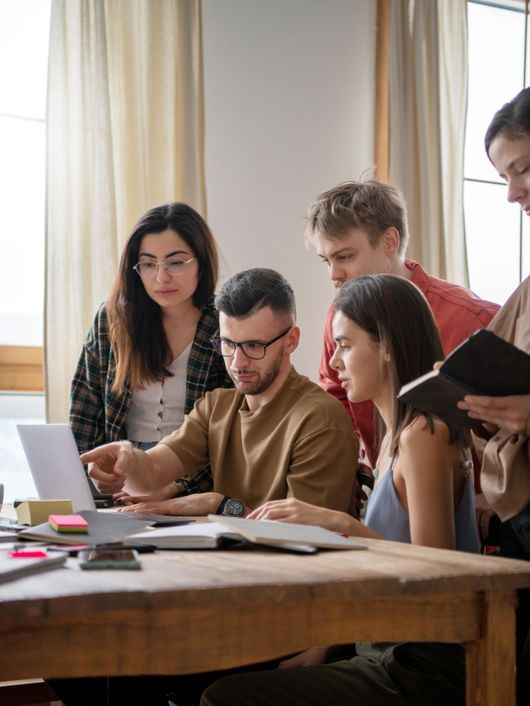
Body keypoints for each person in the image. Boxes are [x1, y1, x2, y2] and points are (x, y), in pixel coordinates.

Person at [199, 273, 480, 706]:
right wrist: (325, 645)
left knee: (225, 698)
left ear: (386, 345)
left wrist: (338, 523)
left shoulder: (422, 434)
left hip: (420, 666)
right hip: (384, 649)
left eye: (345, 345)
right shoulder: (395, 434)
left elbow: (435, 579)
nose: (333, 363)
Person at [306, 180, 500, 537]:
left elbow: (512, 420)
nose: (334, 275)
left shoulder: (474, 321)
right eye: (327, 260)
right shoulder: (340, 314)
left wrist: (496, 489)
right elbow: (334, 406)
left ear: (390, 242)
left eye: (345, 256)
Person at [85, 268, 358, 518]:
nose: (238, 362)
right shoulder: (216, 406)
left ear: (291, 341)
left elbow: (307, 537)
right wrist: (124, 461)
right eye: (228, 344)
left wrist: (216, 504)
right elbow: (151, 474)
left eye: (254, 346)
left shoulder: (321, 420)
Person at [70, 202, 232, 500]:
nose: (161, 278)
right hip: (122, 474)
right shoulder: (112, 321)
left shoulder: (226, 324)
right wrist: (97, 476)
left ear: (201, 262)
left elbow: (234, 432)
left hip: (198, 482)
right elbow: (84, 418)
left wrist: (173, 490)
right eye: (148, 263)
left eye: (176, 262)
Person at [456, 86, 530, 704]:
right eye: (504, 177)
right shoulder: (528, 290)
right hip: (518, 512)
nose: (513, 194)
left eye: (523, 169)